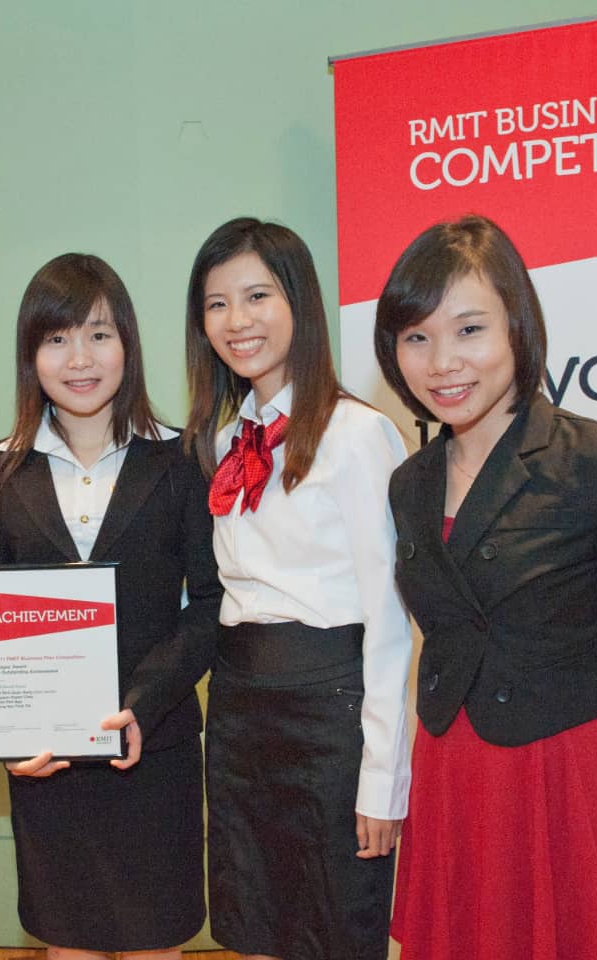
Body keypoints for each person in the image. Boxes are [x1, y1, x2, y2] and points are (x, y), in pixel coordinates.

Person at [373, 214, 597, 960]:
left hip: (572, 776)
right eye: (416, 337)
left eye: (469, 330)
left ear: (517, 327)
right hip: (453, 773)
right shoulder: (409, 484)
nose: (442, 361)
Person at [0, 253, 221, 960]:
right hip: (48, 765)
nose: (79, 358)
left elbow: (208, 606)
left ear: (128, 347)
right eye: (56, 339)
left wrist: (144, 701)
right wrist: (13, 734)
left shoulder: (182, 459)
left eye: (99, 335)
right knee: (67, 943)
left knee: (153, 943)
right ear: (31, 355)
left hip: (156, 750)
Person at [184, 217, 412, 960]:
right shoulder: (225, 442)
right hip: (241, 709)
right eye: (217, 303)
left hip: (329, 715)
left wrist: (382, 778)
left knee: (334, 930)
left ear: (300, 304)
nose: (236, 321)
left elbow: (390, 617)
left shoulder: (356, 434)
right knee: (254, 928)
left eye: (256, 295)